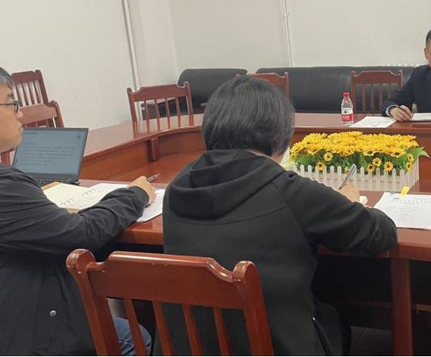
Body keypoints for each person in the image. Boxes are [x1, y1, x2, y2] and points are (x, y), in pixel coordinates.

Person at [162, 76, 398, 355]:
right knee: (335, 321)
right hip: (278, 346)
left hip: (193, 346)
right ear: (279, 136)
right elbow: (381, 233)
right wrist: (349, 203)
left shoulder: (177, 187)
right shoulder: (289, 191)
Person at [0, 61, 155, 355]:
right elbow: (80, 234)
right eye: (12, 105)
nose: (20, 114)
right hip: (13, 337)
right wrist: (134, 195)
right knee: (134, 338)